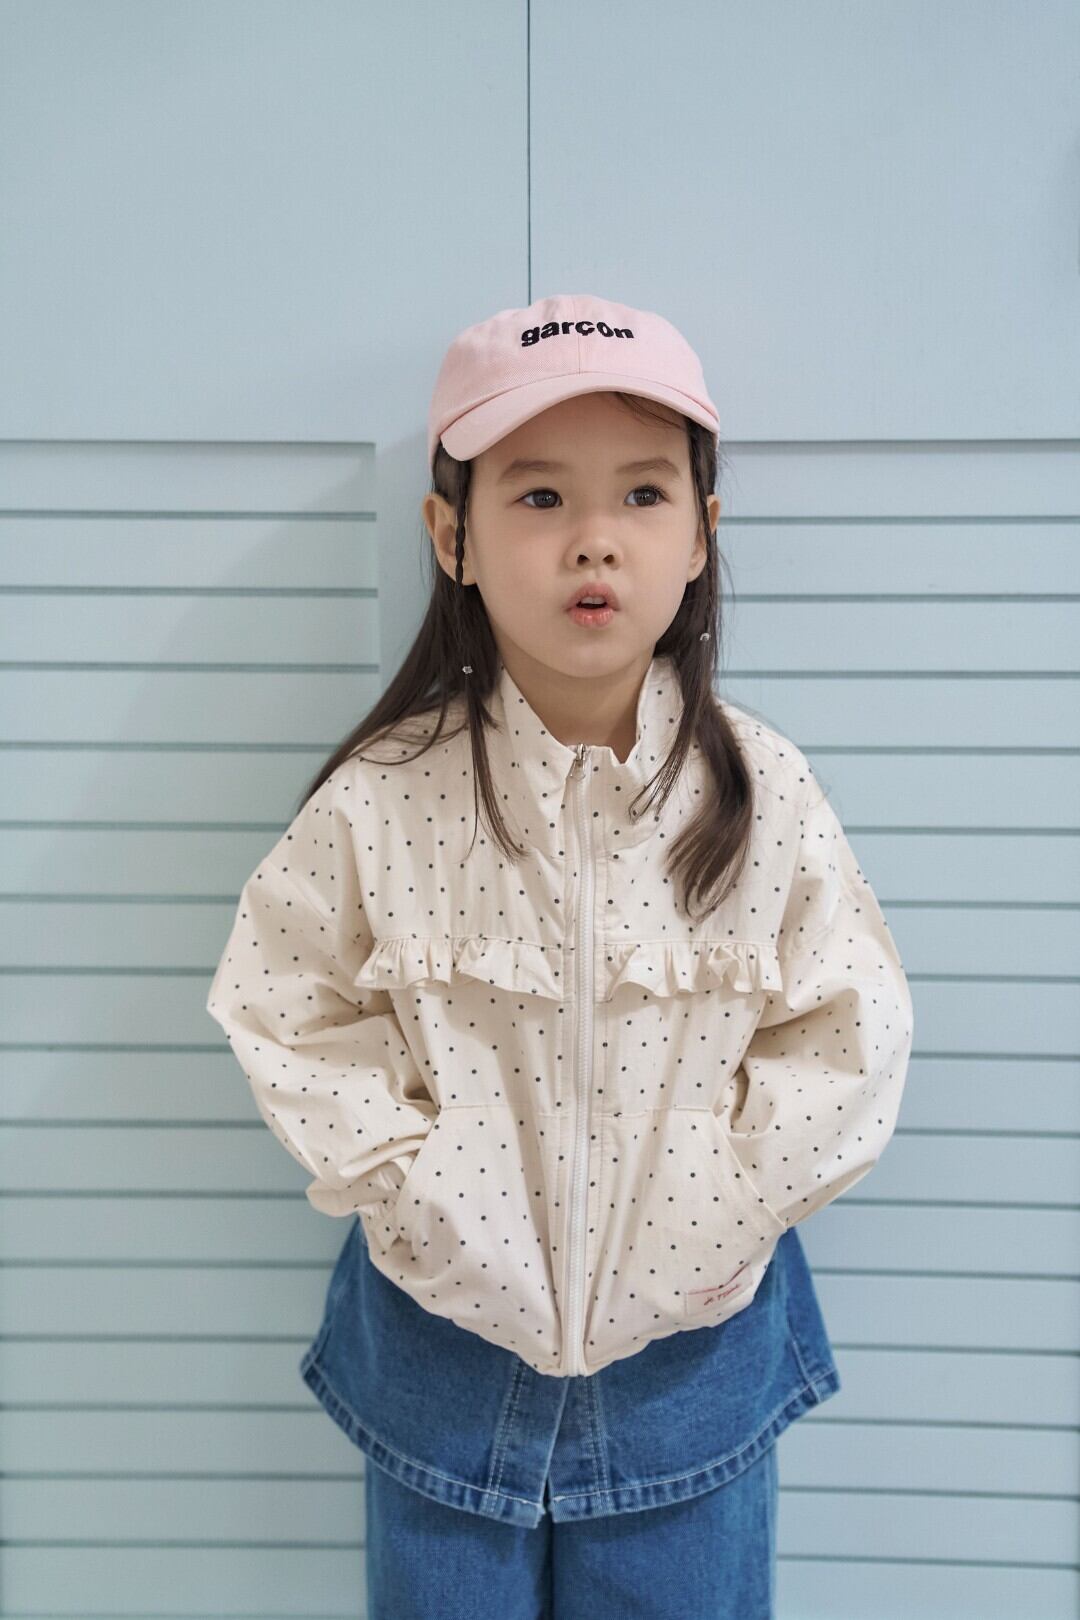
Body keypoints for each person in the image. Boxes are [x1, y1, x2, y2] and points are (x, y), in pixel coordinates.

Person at [205, 293, 915, 1618]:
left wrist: (731, 1193)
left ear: (701, 533)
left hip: (693, 1369)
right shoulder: (385, 799)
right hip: (441, 1361)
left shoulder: (763, 793)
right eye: (539, 497)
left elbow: (848, 1028)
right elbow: (284, 999)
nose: (594, 537)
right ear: (452, 537)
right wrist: (415, 1187)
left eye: (643, 493)